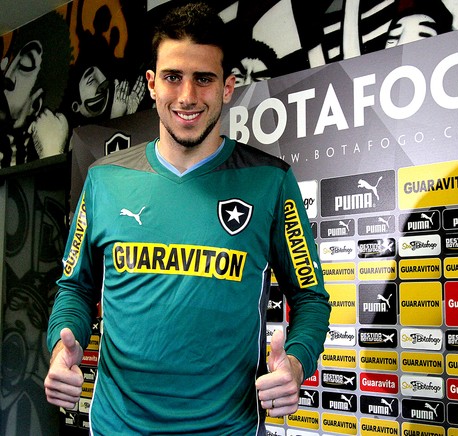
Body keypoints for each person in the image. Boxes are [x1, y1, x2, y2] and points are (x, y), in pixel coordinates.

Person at [43, 2, 331, 435]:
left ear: (228, 87)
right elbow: (75, 288)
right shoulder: (103, 180)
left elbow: (310, 299)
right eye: (174, 77)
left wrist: (295, 362)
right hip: (117, 428)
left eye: (204, 78)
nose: (188, 97)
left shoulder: (270, 182)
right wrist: (61, 346)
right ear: (152, 84)